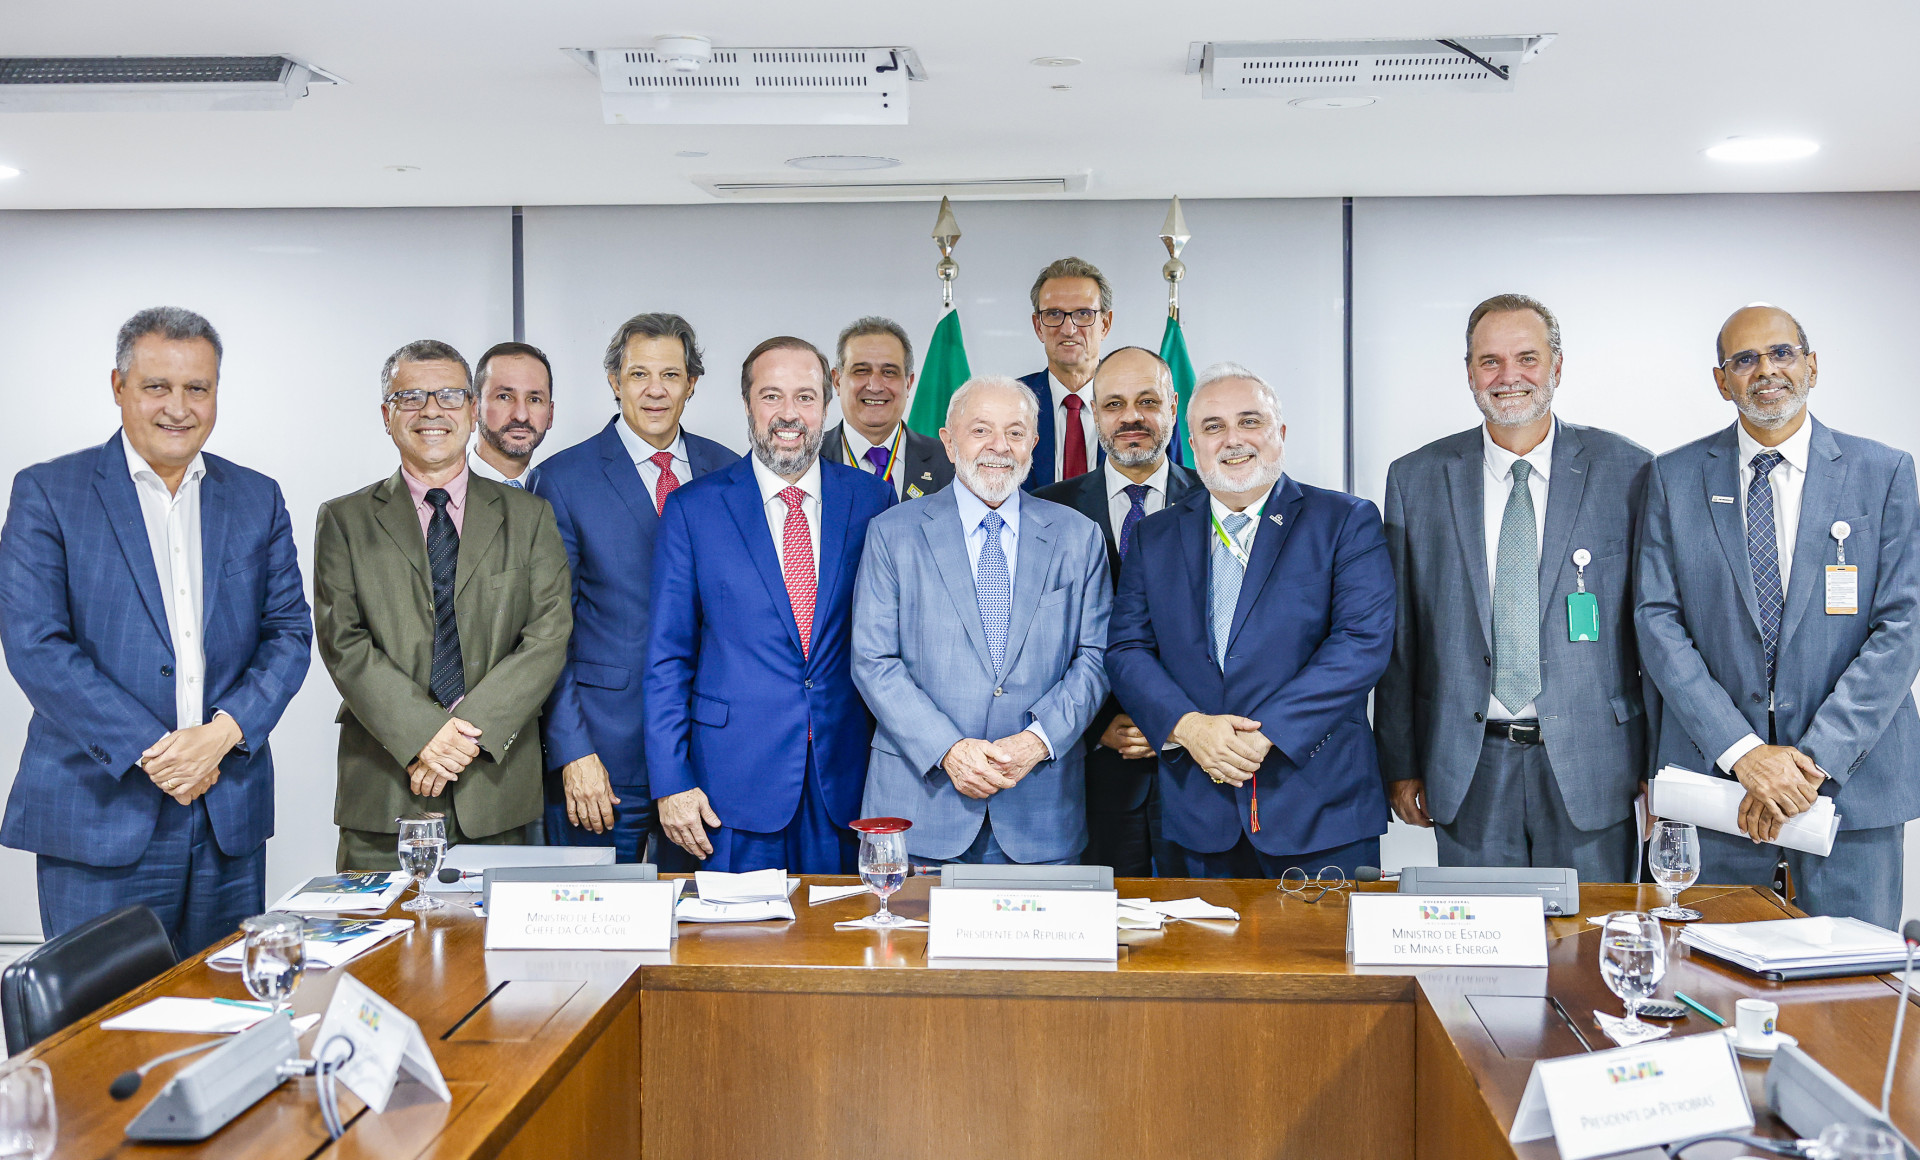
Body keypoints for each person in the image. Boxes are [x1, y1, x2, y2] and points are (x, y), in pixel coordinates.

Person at [0, 307, 311, 955]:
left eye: (197, 388)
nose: (179, 406)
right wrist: (158, 750)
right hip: (99, 812)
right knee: (102, 1035)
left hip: (226, 810)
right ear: (118, 386)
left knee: (224, 1018)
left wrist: (220, 736)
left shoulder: (257, 497)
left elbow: (288, 633)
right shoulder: (50, 493)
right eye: (156, 387)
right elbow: (36, 645)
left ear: (217, 392)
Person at [1635, 304, 1920, 927]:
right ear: (1722, 380)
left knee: (1853, 1003)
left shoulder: (1885, 473)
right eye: (1745, 360)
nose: (1766, 371)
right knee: (1708, 991)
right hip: (1718, 791)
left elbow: (1902, 628)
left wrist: (1806, 767)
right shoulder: (1672, 477)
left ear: (1812, 366)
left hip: (1851, 790)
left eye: (1782, 353)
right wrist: (1746, 756)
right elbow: (1658, 624)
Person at [1376, 295, 1653, 882]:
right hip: (1467, 765)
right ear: (1470, 372)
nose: (1508, 378)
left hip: (1595, 763)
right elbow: (1402, 638)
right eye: (1489, 361)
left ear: (1556, 366)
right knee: (1480, 958)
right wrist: (1399, 761)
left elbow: (1654, 633)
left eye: (1526, 358)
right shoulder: (1416, 478)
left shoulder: (1628, 471)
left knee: (1587, 957)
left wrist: (1660, 767)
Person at [1106, 363, 1395, 879]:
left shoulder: (1345, 521)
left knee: (1324, 962)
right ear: (1191, 446)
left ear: (1279, 435)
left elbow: (1361, 644)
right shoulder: (1154, 536)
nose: (1233, 440)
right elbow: (1127, 650)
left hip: (1319, 808)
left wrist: (1266, 734)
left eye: (1249, 421)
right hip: (1199, 812)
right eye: (1213, 427)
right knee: (1208, 961)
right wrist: (1188, 727)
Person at [315, 340, 571, 872]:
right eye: (410, 397)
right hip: (386, 787)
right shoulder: (343, 519)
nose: (431, 411)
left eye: (450, 396)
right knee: (382, 950)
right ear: (387, 415)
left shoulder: (530, 517)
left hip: (496, 789)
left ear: (474, 411)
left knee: (495, 951)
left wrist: (462, 734)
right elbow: (344, 644)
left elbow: (547, 637)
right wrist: (424, 735)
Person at [644, 337, 893, 873]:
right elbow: (667, 658)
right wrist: (671, 781)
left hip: (844, 782)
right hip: (727, 786)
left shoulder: (873, 500)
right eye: (771, 396)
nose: (788, 414)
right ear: (747, 403)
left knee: (836, 947)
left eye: (805, 397)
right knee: (734, 947)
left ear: (826, 406)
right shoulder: (694, 509)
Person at [853, 375, 1110, 865]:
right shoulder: (892, 533)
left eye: (1015, 432)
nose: (999, 447)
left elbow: (1095, 658)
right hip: (920, 808)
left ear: (1034, 445)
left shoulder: (1079, 537)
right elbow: (872, 660)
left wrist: (1038, 741)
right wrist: (948, 749)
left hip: (1040, 811)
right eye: (981, 431)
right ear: (949, 443)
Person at [532, 314, 736, 861]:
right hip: (603, 761)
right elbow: (546, 633)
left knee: (702, 931)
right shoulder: (562, 479)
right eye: (639, 373)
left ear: (692, 384)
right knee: (594, 929)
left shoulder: (729, 471)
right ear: (613, 381)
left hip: (708, 755)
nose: (654, 390)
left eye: (670, 375)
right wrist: (572, 752)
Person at [1035, 346, 1200, 876]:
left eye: (1147, 401)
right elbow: (1026, 644)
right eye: (1114, 404)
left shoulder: (1216, 504)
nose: (1131, 417)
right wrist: (1094, 725)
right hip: (1088, 773)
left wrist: (1173, 722)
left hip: (1196, 771)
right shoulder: (1044, 511)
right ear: (1095, 412)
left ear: (1174, 408)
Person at [822, 316, 953, 500]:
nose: (875, 386)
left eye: (889, 372)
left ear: (908, 383)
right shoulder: (809, 459)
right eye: (861, 371)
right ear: (836, 380)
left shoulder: (950, 462)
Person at [1019, 257, 1113, 490]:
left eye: (1083, 314)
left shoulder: (1143, 406)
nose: (1068, 329)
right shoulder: (1012, 402)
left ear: (1105, 324)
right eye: (1053, 314)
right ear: (1038, 326)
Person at [468, 341, 555, 489]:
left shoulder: (558, 496)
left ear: (550, 415)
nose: (521, 416)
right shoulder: (439, 495)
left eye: (534, 400)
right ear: (474, 408)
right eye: (504, 397)